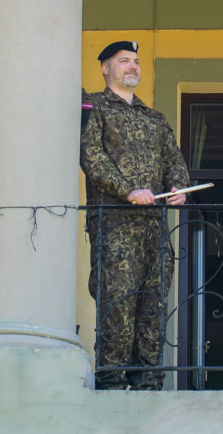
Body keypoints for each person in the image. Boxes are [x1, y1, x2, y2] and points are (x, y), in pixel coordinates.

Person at [80, 40, 190, 390]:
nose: (133, 66)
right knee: (118, 304)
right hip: (116, 225)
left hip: (153, 227)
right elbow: (91, 155)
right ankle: (112, 382)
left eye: (137, 61)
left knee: (153, 308)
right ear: (105, 68)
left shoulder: (154, 118)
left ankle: (149, 383)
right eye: (124, 60)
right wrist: (127, 189)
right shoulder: (93, 107)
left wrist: (178, 187)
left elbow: (174, 160)